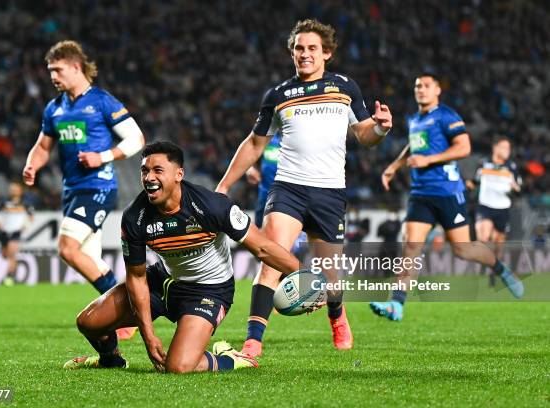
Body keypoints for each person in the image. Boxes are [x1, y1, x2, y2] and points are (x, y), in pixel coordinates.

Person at [216, 19, 392, 357]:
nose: (305, 54)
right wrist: (224, 185)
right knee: (270, 262)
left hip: (329, 193)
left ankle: (337, 315)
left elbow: (363, 135)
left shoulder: (344, 87)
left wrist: (381, 128)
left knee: (331, 279)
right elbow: (254, 143)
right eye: (299, 48)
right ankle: (253, 341)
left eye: (312, 48)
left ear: (326, 53)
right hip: (288, 190)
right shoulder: (279, 95)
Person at [63, 142, 302, 373]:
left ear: (179, 174)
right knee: (89, 322)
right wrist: (148, 335)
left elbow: (262, 248)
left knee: (178, 367)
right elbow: (136, 277)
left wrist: (301, 274)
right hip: (164, 281)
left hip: (208, 291)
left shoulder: (212, 206)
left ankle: (229, 359)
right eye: (144, 171)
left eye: (158, 170)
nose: (149, 177)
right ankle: (111, 360)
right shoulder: (135, 217)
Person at [371, 73, 524, 321]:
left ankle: (500, 269)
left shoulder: (446, 116)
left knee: (463, 250)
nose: (421, 90)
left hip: (447, 192)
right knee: (411, 245)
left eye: (426, 86)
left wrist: (428, 160)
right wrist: (394, 166)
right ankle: (396, 304)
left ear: (437, 90)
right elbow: (413, 146)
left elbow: (464, 147)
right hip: (420, 193)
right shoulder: (415, 119)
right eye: (417, 86)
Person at [22, 40, 145, 339]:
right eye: (50, 70)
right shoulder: (55, 108)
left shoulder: (102, 101)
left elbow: (136, 139)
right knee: (90, 260)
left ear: (76, 67)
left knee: (67, 248)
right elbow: (43, 146)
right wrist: (32, 165)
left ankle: (127, 313)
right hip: (72, 190)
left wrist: (101, 157)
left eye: (58, 70)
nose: (53, 76)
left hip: (98, 186)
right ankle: (121, 315)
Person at [467, 136, 521, 286]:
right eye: (504, 147)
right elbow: (474, 181)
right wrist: (467, 185)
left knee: (498, 244)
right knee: (483, 238)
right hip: (485, 206)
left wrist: (516, 189)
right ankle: (482, 269)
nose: (507, 151)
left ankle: (493, 271)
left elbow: (518, 189)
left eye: (509, 149)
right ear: (495, 148)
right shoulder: (484, 164)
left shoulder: (511, 167)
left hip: (502, 208)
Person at [0, 182, 34, 286]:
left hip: (16, 232)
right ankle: (12, 274)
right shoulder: (3, 202)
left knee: (11, 254)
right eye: (12, 188)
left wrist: (25, 227)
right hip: (5, 231)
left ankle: (9, 276)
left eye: (15, 188)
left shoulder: (25, 203)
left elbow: (31, 216)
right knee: (5, 254)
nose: (13, 190)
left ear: (20, 190)